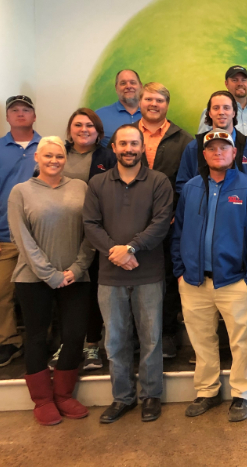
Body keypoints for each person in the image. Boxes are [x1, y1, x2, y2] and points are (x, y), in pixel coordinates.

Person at [172, 131, 247, 422]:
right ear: (203, 154)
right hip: (194, 281)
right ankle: (207, 391)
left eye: (224, 147)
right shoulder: (190, 189)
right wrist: (180, 271)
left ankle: (241, 394)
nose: (218, 152)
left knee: (241, 341)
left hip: (234, 281)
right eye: (211, 148)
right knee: (202, 341)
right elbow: (178, 233)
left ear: (234, 153)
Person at [83, 124, 174, 423]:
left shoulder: (158, 181)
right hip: (110, 277)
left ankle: (151, 396)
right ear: (113, 147)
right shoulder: (97, 184)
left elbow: (161, 223)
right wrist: (116, 253)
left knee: (151, 339)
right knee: (115, 340)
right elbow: (91, 225)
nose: (129, 149)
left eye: (134, 144)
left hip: (149, 274)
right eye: (123, 144)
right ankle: (122, 398)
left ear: (142, 146)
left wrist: (131, 249)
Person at [8, 136, 95, 426]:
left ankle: (64, 395)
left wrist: (77, 269)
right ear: (37, 157)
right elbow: (23, 239)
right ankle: (42, 400)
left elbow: (90, 233)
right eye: (48, 156)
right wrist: (50, 274)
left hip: (76, 277)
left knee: (73, 335)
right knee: (36, 337)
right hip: (33, 280)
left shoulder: (80, 188)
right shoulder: (20, 192)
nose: (54, 161)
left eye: (59, 156)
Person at [128, 82, 193, 359]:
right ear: (139, 102)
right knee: (132, 278)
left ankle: (166, 334)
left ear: (167, 105)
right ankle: (134, 336)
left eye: (159, 100)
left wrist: (177, 214)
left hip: (170, 223)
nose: (153, 104)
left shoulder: (184, 139)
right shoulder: (126, 136)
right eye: (148, 99)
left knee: (167, 278)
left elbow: (189, 183)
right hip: (130, 223)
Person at [0, 95, 41, 368]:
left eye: (26, 110)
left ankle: (43, 340)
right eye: (14, 110)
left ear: (34, 116)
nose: (20, 114)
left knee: (41, 293)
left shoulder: (48, 146)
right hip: (3, 235)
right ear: (7, 117)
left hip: (39, 236)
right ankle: (7, 342)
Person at [56, 108, 117, 372]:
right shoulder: (58, 154)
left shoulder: (107, 156)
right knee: (65, 288)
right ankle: (67, 344)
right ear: (70, 129)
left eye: (90, 125)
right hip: (62, 232)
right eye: (78, 125)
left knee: (92, 290)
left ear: (98, 131)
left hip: (97, 233)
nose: (84, 129)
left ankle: (92, 344)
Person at [177, 90, 247, 192]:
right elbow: (183, 186)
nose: (221, 112)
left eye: (226, 108)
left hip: (239, 207)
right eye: (216, 108)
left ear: (234, 113)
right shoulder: (194, 147)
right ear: (209, 113)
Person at [196, 65, 247, 142]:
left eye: (243, 80)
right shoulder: (213, 112)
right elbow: (202, 143)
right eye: (235, 80)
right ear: (226, 83)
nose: (240, 83)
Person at [95, 69, 142, 146]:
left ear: (140, 86)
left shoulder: (152, 115)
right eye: (123, 83)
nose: (128, 86)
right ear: (116, 88)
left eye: (132, 82)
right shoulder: (99, 116)